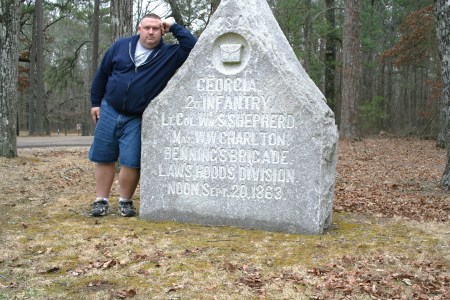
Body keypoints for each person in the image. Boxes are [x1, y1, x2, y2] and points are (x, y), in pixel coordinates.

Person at [88, 14, 197, 217]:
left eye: (156, 28)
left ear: (162, 31)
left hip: (139, 116)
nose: (151, 32)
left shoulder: (169, 54)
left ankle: (125, 201)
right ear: (139, 29)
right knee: (103, 156)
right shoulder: (120, 46)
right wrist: (95, 103)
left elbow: (193, 46)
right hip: (110, 108)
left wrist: (174, 26)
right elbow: (102, 74)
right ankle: (100, 200)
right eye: (147, 27)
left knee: (131, 160)